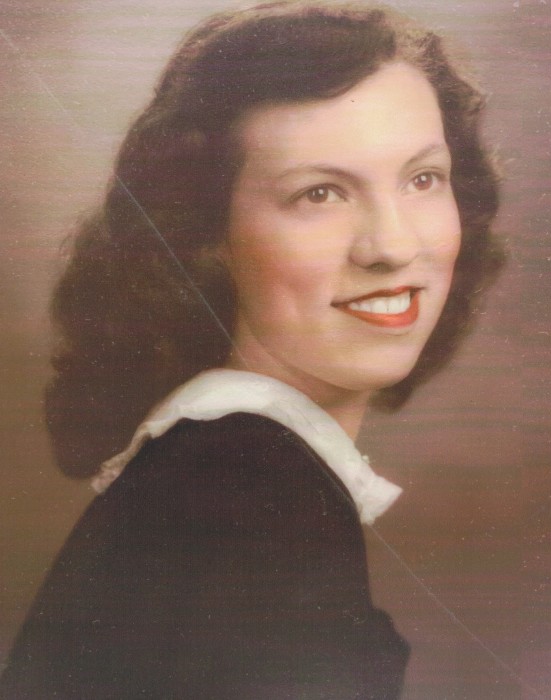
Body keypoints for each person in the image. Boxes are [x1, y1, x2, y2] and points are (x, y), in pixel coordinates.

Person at [0, 1, 502, 697]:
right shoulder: (254, 489)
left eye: (423, 179)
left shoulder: (219, 468)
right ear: (207, 237)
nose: (392, 246)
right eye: (320, 193)